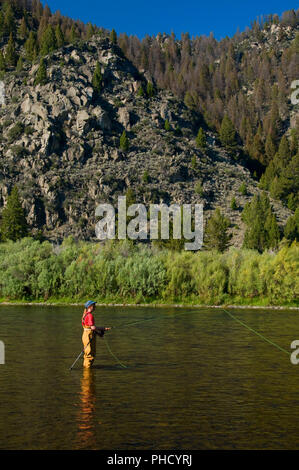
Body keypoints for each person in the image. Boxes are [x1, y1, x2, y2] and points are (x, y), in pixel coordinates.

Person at [81, 300, 110, 368]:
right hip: (89, 335)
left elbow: (89, 328)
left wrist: (99, 333)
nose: (95, 307)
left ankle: (86, 368)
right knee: (90, 354)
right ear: (90, 307)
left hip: (85, 335)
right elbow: (93, 328)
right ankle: (87, 373)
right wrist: (103, 329)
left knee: (87, 353)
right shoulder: (90, 315)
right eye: (94, 306)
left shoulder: (84, 314)